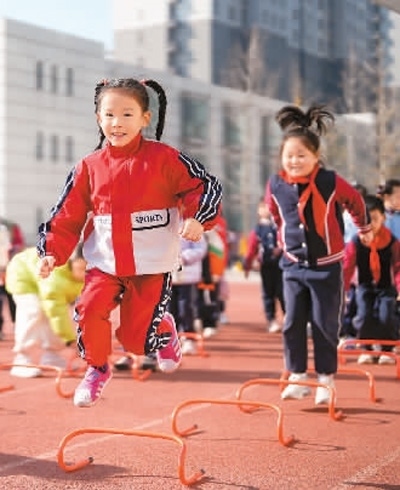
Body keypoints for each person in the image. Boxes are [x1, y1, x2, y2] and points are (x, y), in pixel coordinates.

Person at [37, 77, 222, 407]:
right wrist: (51, 251)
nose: (117, 123)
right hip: (105, 264)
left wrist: (198, 218)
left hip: (151, 266)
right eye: (109, 115)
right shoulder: (88, 167)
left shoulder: (165, 158)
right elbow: (66, 214)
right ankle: (97, 369)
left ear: (144, 118)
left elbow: (205, 186)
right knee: (88, 309)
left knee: (137, 344)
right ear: (98, 118)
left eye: (127, 114)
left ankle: (162, 329)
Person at [265, 104, 372, 405]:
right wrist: (283, 237)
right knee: (292, 322)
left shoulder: (329, 181)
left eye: (301, 155)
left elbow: (355, 200)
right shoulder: (275, 184)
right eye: (289, 156)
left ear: (315, 156)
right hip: (293, 265)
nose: (295, 161)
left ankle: (326, 380)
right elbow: (275, 213)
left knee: (324, 324)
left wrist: (363, 227)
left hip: (326, 267)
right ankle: (298, 377)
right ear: (281, 157)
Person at [5, 246, 86, 377]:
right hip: (22, 274)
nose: (85, 274)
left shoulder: (83, 278)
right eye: (82, 269)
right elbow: (57, 313)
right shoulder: (56, 278)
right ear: (72, 262)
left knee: (52, 315)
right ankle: (22, 360)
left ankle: (52, 356)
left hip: (41, 280)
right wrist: (70, 341)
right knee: (33, 312)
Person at [343, 194, 400, 364]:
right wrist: (343, 290)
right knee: (363, 315)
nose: (371, 224)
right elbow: (347, 267)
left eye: (374, 219)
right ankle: (367, 348)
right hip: (365, 285)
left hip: (386, 286)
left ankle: (387, 349)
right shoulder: (355, 242)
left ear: (383, 218)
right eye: (366, 220)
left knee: (386, 316)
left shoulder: (392, 242)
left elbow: (398, 267)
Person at [243, 198, 285, 333]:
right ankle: (271, 319)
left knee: (283, 292)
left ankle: (288, 317)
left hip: (281, 265)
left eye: (269, 207)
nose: (267, 210)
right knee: (268, 293)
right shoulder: (257, 230)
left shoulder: (279, 226)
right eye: (263, 207)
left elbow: (286, 241)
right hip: (266, 266)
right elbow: (251, 248)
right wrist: (247, 265)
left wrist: (280, 249)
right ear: (259, 211)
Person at [171, 235, 208, 355]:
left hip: (187, 276)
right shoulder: (163, 225)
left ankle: (188, 338)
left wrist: (184, 257)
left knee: (186, 308)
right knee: (169, 311)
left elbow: (200, 248)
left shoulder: (191, 226)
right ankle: (172, 340)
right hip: (167, 275)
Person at [0, 218, 25, 339]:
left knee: (13, 297)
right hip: (4, 267)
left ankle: (18, 325)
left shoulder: (8, 227)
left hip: (8, 268)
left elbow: (16, 245)